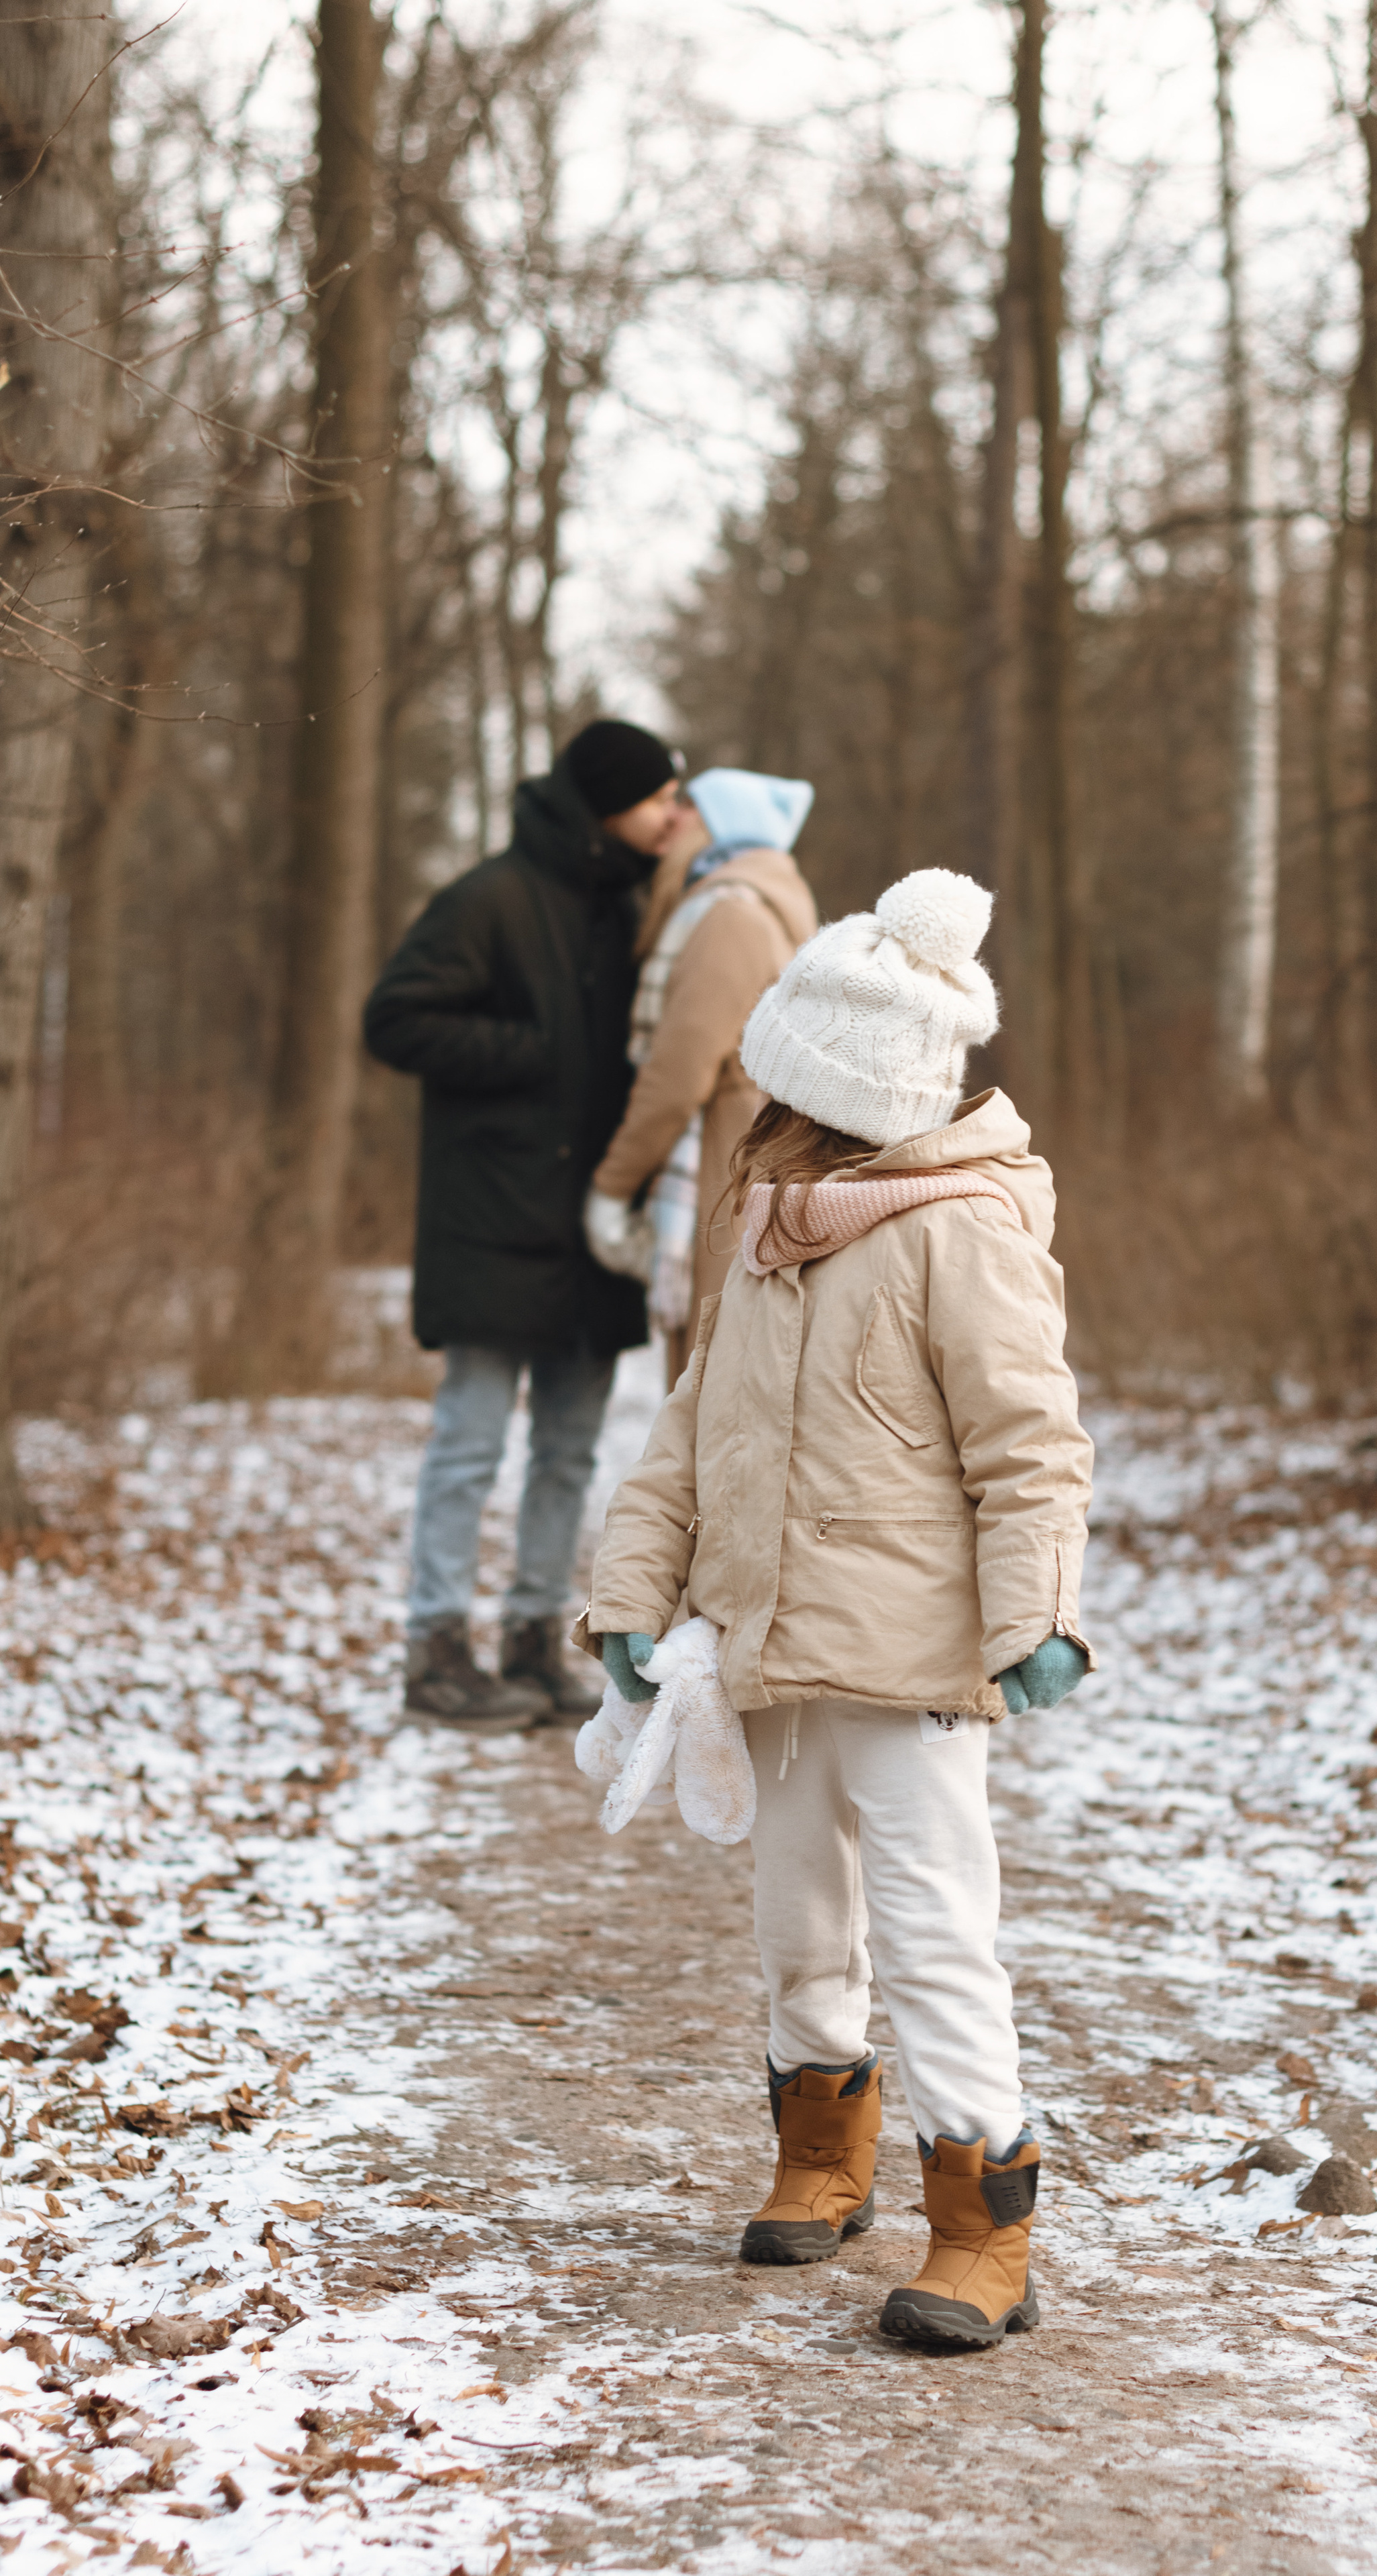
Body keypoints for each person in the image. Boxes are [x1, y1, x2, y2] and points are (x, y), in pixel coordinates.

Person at [573, 867, 1095, 2350]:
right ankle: (819, 2155)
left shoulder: (960, 1230)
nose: (767, 1122)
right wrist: (635, 1588)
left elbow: (1027, 1443)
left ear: (861, 1094)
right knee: (797, 1918)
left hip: (916, 1656)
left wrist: (1033, 1616)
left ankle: (982, 2225)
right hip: (765, 1645)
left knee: (933, 1930)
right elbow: (689, 1426)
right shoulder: (767, 1227)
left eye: (792, 1098)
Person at [364, 717, 681, 1731]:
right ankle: (435, 1651)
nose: (674, 813)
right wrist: (533, 1054)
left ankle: (536, 1643)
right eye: (659, 796)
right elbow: (396, 1018)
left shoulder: (631, 903)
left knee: (570, 1450)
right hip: (495, 1217)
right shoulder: (490, 897)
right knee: (469, 1441)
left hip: (593, 1226)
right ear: (608, 803)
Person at [582, 768, 818, 1384]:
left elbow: (677, 1076)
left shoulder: (729, 916)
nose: (673, 817)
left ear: (720, 825)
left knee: (709, 1400)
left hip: (724, 1181)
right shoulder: (758, 905)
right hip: (747, 1176)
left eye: (688, 805)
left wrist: (613, 1187)